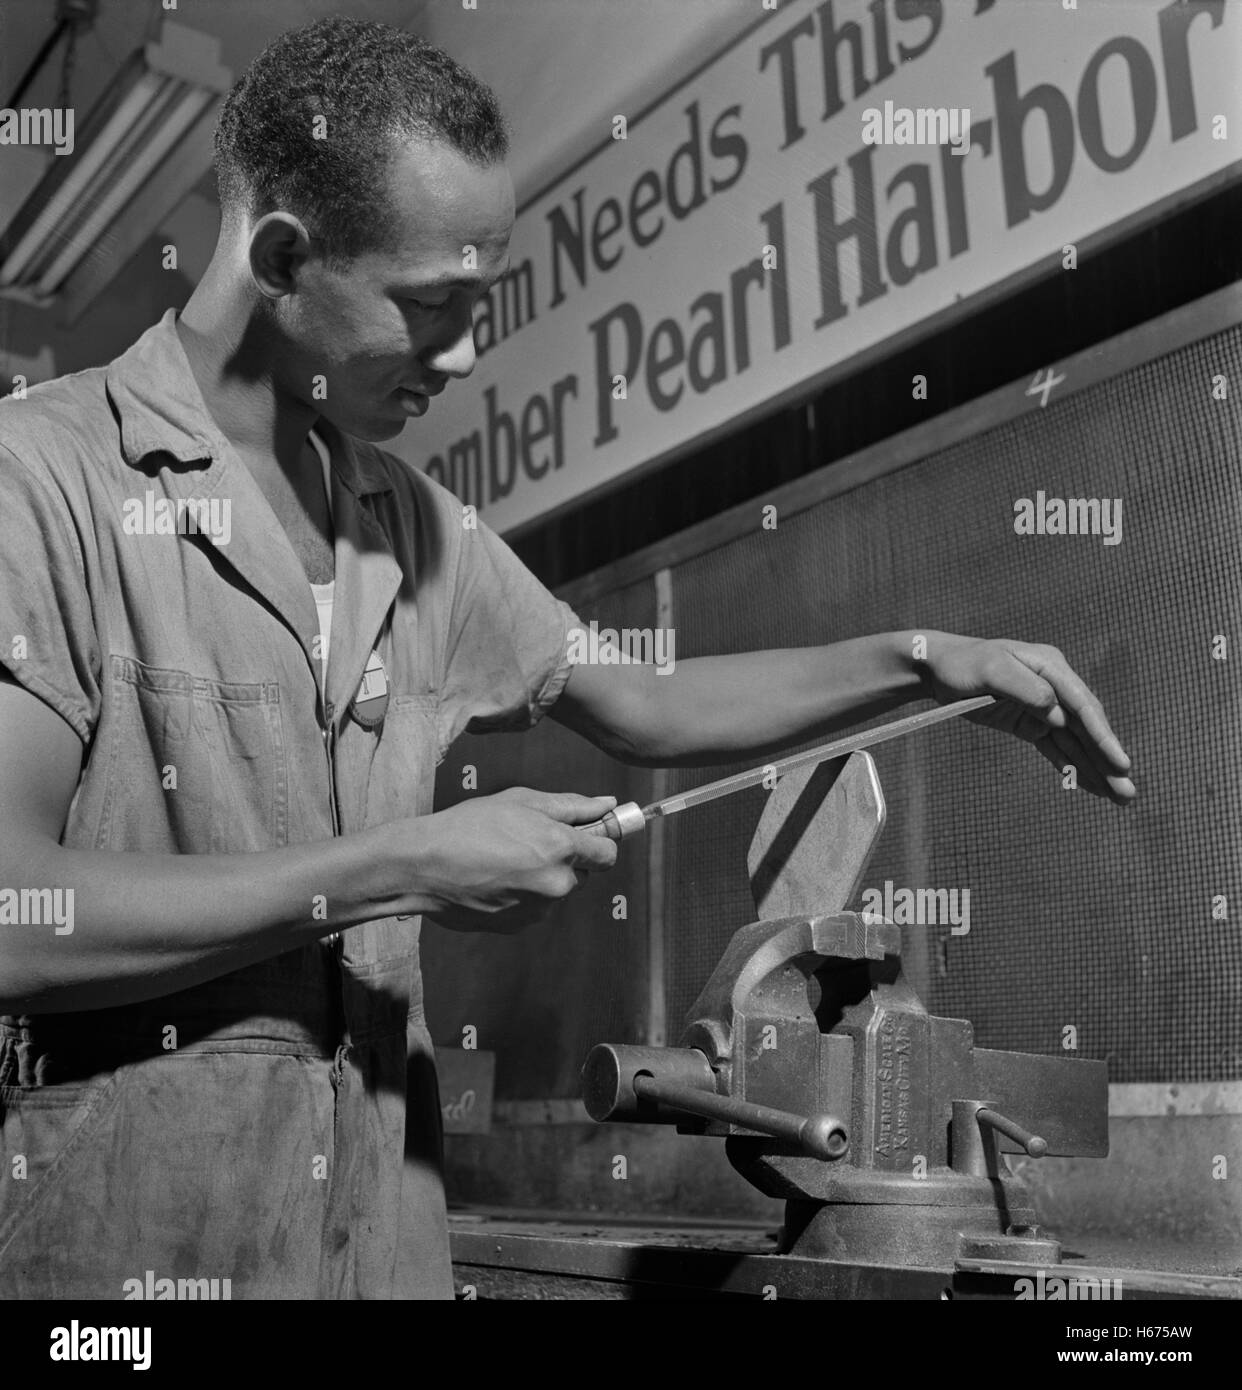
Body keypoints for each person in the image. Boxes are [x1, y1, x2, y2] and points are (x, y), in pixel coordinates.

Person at [0, 16, 1134, 1300]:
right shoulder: (45, 479)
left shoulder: (411, 524)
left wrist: (931, 661)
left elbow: (642, 701)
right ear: (278, 256)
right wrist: (404, 866)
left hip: (381, 1251)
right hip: (124, 1271)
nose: (469, 355)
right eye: (432, 306)